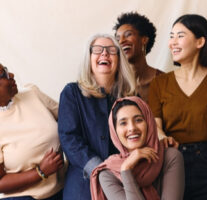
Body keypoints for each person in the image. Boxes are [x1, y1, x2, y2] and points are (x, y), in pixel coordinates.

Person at [148, 14, 207, 200]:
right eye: (171, 36)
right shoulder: (160, 83)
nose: (172, 42)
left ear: (200, 42)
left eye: (180, 36)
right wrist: (163, 137)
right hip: (171, 163)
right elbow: (155, 126)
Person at [58, 34, 136, 200]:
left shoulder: (130, 98)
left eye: (111, 50)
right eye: (98, 50)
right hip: (83, 184)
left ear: (119, 59)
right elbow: (69, 138)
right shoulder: (72, 93)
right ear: (89, 58)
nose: (104, 54)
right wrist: (98, 168)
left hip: (124, 181)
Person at [90, 96, 185, 200]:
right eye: (123, 123)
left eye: (138, 120)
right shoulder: (107, 174)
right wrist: (126, 169)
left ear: (149, 122)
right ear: (114, 131)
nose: (132, 128)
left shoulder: (170, 157)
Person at [0, 63, 66, 199]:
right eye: (4, 75)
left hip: (62, 189)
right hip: (22, 197)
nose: (11, 75)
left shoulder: (32, 94)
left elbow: (69, 121)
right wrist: (40, 172)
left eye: (6, 70)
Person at [114, 12, 163, 102]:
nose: (121, 41)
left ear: (144, 40)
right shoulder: (113, 83)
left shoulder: (164, 81)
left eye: (128, 34)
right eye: (117, 39)